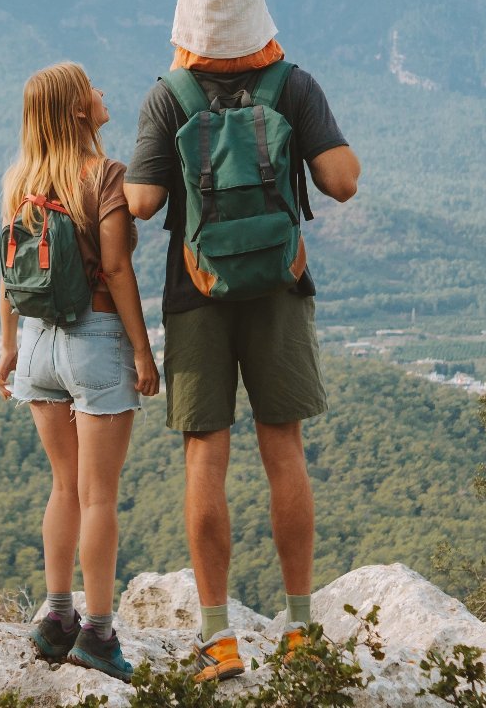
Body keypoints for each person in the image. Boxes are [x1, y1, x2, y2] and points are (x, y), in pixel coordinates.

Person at [124, 56, 360, 681]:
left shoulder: (168, 95)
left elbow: (144, 202)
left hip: (195, 290)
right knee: (285, 449)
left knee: (205, 456)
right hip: (279, 285)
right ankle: (301, 628)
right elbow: (342, 181)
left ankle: (217, 637)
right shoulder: (293, 85)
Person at [0, 62, 161, 682]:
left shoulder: (20, 180)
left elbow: (7, 273)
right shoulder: (106, 176)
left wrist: (9, 348)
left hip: (37, 343)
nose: (102, 92)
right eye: (92, 86)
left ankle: (56, 615)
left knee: (64, 487)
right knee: (100, 498)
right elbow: (117, 271)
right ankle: (97, 632)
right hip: (93, 342)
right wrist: (142, 352)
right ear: (75, 110)